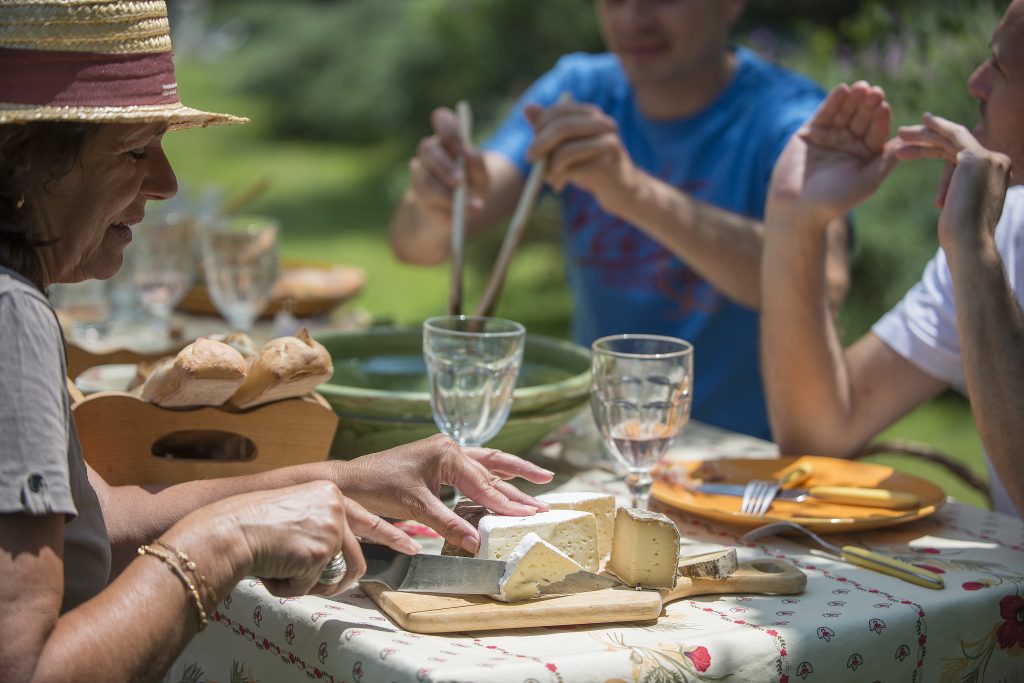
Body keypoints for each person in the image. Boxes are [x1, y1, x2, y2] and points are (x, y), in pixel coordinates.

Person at [0, 2, 553, 680]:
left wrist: (341, 477)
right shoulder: (11, 317)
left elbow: (98, 524)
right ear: (21, 156)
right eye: (135, 148)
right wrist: (226, 542)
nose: (168, 183)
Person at [389, 0, 851, 440]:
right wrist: (436, 203)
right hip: (606, 439)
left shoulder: (786, 115)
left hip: (751, 457)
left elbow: (826, 282)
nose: (634, 19)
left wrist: (631, 193)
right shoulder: (578, 90)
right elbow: (418, 247)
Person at [759, 0, 1024, 517]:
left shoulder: (987, 238)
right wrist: (796, 219)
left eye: (1003, 67)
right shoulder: (1008, 224)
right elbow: (823, 428)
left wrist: (973, 250)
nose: (976, 82)